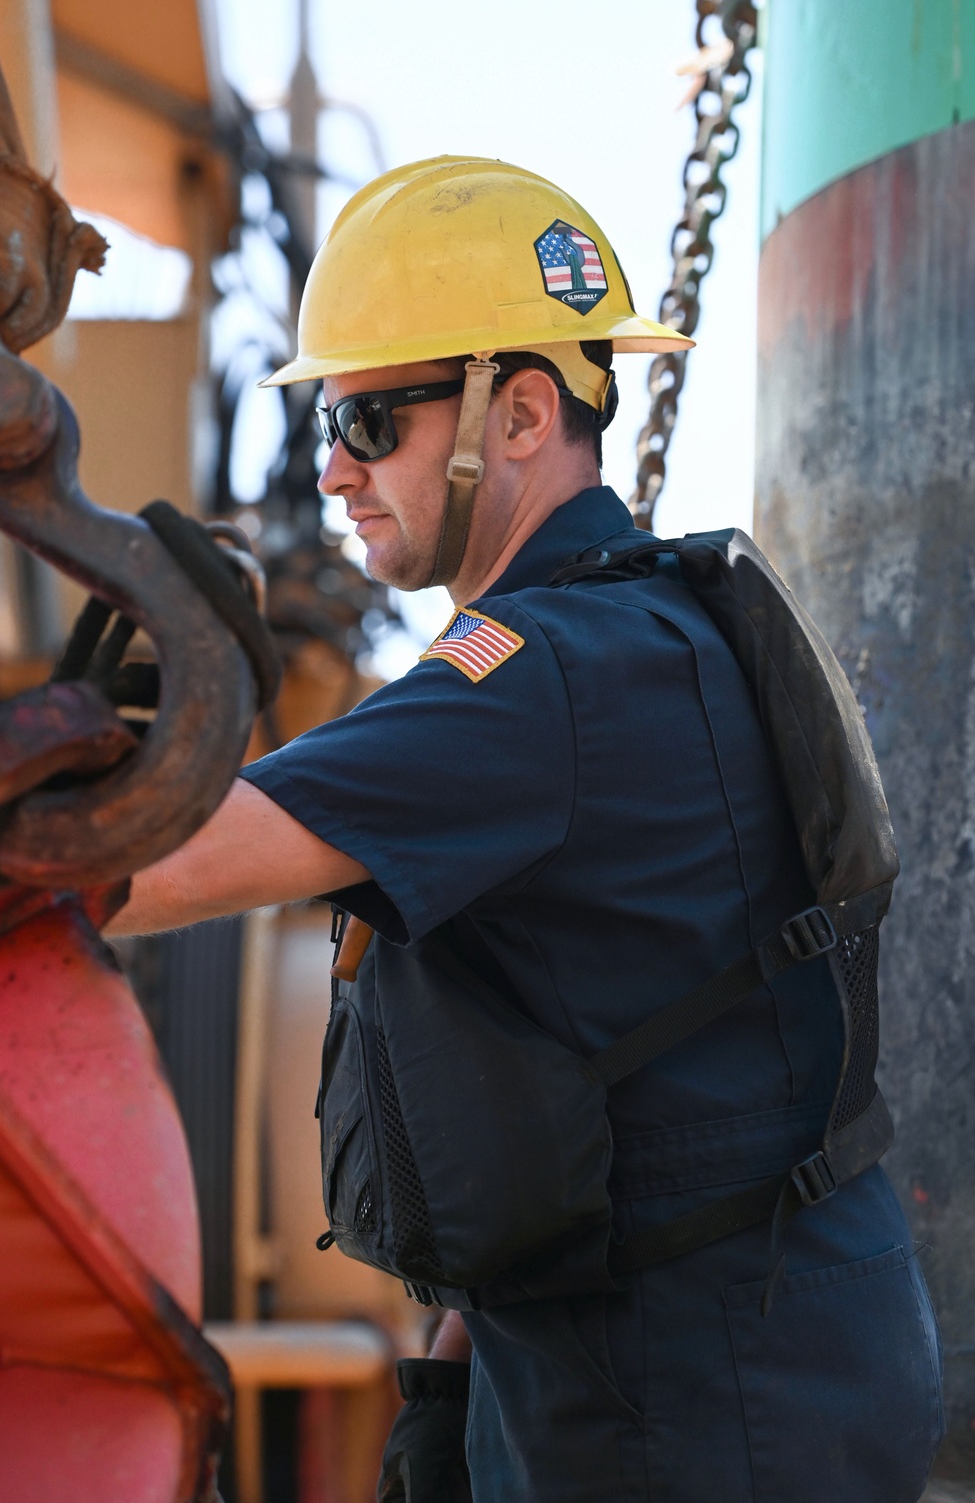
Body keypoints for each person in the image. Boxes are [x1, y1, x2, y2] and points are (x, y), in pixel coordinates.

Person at [111, 158, 944, 1503]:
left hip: (699, 1398)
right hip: (706, 1351)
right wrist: (452, 1373)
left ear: (518, 412)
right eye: (331, 415)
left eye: (371, 417)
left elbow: (150, 860)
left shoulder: (540, 679)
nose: (330, 468)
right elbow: (588, 1068)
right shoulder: (653, 627)